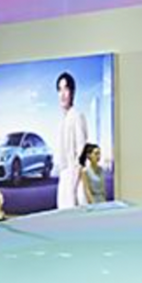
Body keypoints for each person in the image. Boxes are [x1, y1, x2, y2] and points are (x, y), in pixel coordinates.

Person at [55, 71, 88, 209]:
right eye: (59, 89)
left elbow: (82, 151)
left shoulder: (77, 116)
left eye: (66, 89)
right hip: (64, 177)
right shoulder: (62, 120)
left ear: (72, 92)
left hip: (74, 178)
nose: (62, 94)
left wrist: (74, 184)